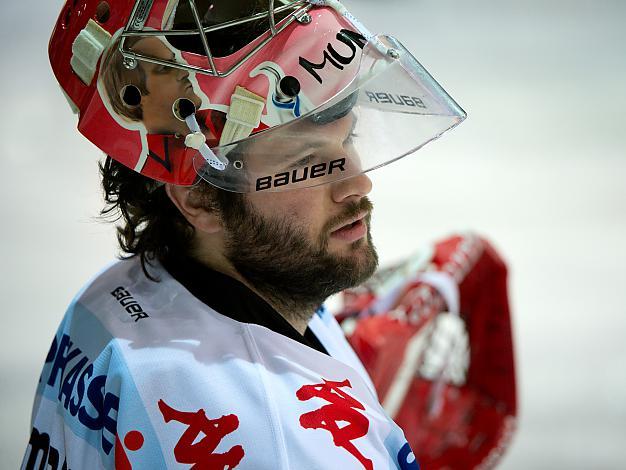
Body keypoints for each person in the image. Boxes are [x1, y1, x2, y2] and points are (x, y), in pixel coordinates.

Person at [23, 1, 477, 468]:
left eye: (349, 139)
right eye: (308, 165)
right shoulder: (276, 445)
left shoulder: (117, 296)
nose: (358, 183)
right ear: (200, 200)